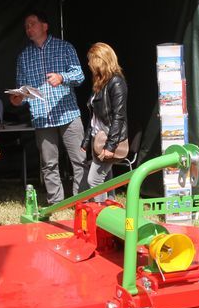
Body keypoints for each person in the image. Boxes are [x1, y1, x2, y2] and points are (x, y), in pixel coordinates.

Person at [10, 11, 85, 205]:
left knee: (79, 159)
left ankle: (81, 201)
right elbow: (23, 90)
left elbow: (79, 75)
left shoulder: (64, 47)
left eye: (32, 24)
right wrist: (18, 98)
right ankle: (56, 203)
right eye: (26, 26)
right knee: (49, 164)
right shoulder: (24, 57)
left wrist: (62, 77)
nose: (28, 29)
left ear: (45, 26)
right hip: (42, 117)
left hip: (68, 114)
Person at [80, 43, 129, 202]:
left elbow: (118, 116)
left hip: (109, 140)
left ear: (100, 60)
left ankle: (101, 216)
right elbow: (93, 117)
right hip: (98, 139)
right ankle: (112, 211)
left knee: (94, 180)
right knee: (106, 181)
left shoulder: (116, 82)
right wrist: (86, 141)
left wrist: (110, 146)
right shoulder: (99, 83)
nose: (88, 64)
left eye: (91, 60)